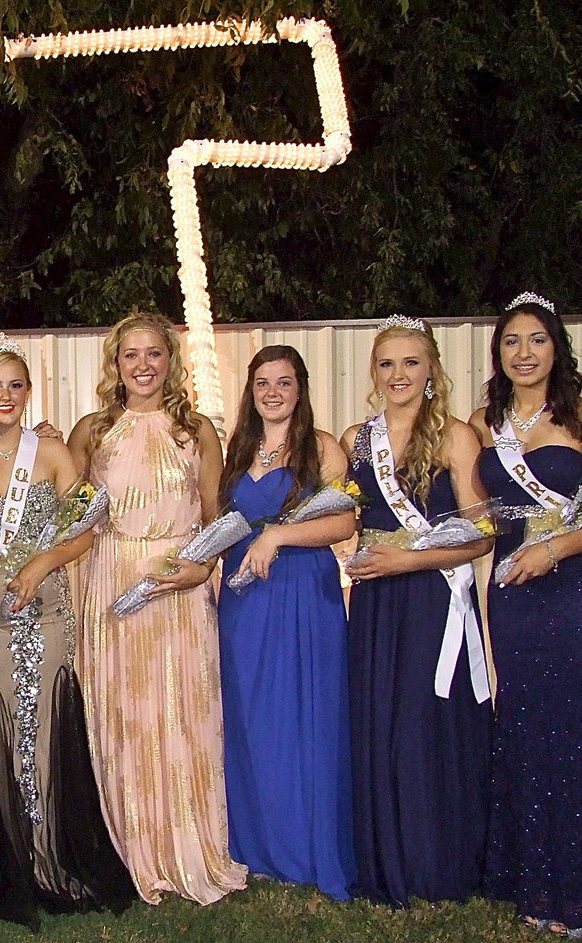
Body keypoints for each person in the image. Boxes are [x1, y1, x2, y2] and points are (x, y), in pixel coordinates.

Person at [0, 342, 135, 929]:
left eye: (16, 385)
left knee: (44, 726)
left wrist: (43, 562)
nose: (5, 396)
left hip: (46, 611)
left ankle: (48, 858)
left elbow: (86, 528)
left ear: (28, 392)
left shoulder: (49, 451)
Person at [470, 292, 582, 937]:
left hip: (579, 593)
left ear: (557, 348)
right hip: (514, 590)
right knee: (523, 725)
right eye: (512, 341)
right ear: (498, 353)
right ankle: (533, 882)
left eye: (537, 339)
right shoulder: (483, 425)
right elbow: (481, 514)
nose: (524, 353)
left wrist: (557, 548)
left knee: (578, 729)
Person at [67, 311, 248, 906]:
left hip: (180, 586)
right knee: (120, 714)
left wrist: (204, 567)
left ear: (171, 361)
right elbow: (69, 514)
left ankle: (186, 844)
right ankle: (125, 847)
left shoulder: (197, 430)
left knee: (181, 712)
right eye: (131, 355)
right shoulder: (92, 431)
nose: (142, 365)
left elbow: (216, 513)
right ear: (115, 364)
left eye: (154, 353)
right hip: (113, 583)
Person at [340, 315, 493, 908]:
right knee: (380, 722)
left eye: (410, 362)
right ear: (374, 373)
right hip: (376, 603)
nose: (398, 374)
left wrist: (407, 561)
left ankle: (436, 859)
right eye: (387, 364)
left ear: (431, 369)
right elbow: (344, 519)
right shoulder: (357, 439)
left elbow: (482, 536)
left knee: (424, 724)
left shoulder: (456, 437)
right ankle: (386, 858)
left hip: (432, 596)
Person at [217, 345, 357, 900]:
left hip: (303, 595)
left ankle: (308, 845)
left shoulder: (321, 448)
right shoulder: (238, 448)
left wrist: (278, 535)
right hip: (244, 601)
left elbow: (344, 522)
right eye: (262, 383)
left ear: (301, 389)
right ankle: (258, 846)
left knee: (306, 720)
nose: (272, 392)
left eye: (284, 382)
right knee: (251, 720)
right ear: (250, 391)